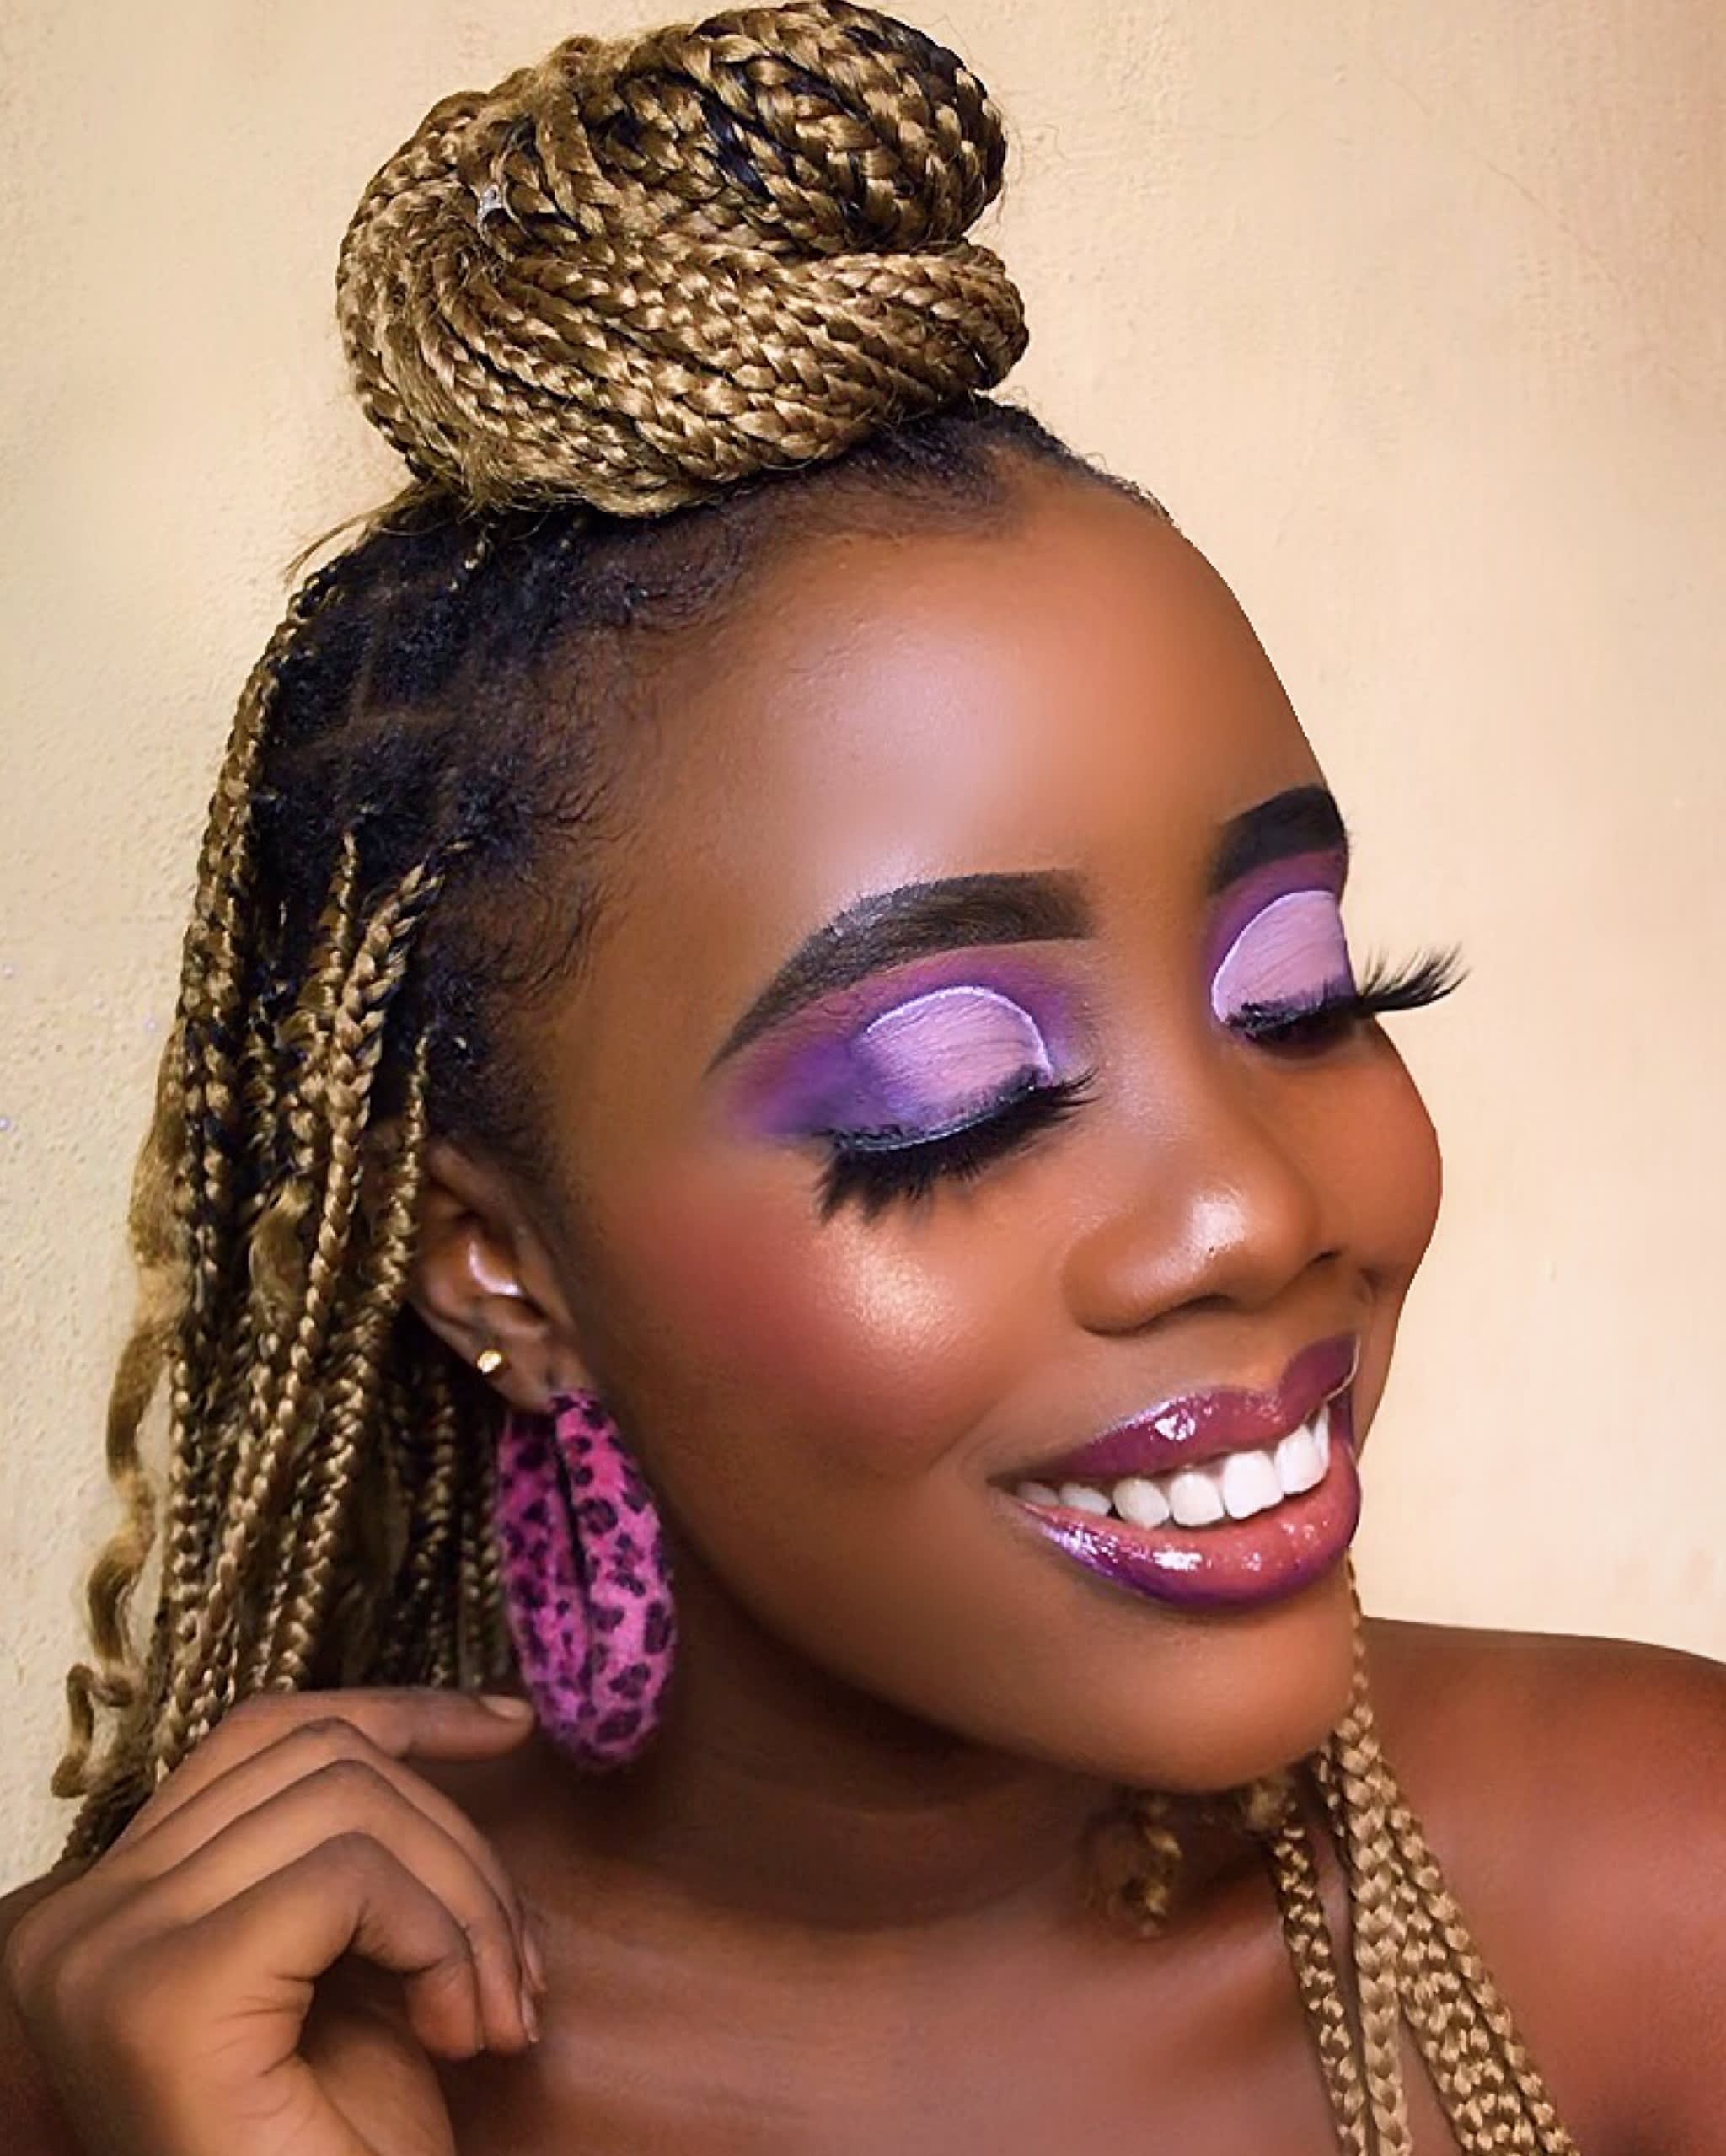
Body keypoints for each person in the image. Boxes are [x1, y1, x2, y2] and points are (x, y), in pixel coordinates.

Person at [2, 5, 1721, 2150]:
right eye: (954, 1105)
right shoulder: (114, 2071)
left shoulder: (1665, 1903)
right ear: (492, 1260)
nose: (1255, 1206)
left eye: (1299, 992)